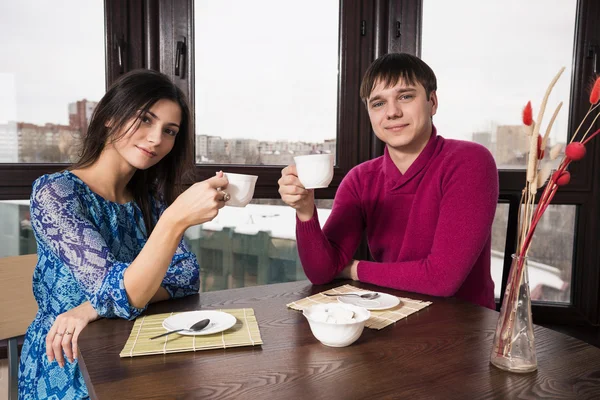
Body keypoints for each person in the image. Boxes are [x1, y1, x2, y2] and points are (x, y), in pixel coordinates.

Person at [18, 70, 231, 399]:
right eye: (145, 119)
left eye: (169, 131)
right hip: (70, 359)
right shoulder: (56, 193)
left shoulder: (149, 201)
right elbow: (110, 289)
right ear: (109, 116)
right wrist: (174, 220)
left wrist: (90, 308)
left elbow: (187, 276)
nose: (156, 138)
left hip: (136, 347)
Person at [278, 53, 498, 310]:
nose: (392, 112)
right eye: (379, 103)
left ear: (432, 102)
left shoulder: (468, 161)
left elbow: (442, 279)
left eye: (405, 97)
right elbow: (322, 272)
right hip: (387, 317)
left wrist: (353, 268)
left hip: (462, 331)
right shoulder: (360, 179)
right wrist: (305, 211)